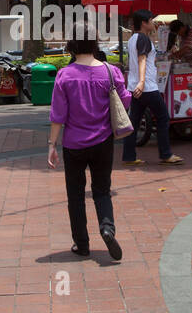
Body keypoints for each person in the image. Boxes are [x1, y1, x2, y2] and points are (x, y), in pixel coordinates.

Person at [48, 20, 132, 260]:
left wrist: (51, 145)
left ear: (72, 44)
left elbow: (58, 115)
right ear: (95, 43)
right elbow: (124, 100)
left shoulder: (65, 75)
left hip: (74, 144)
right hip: (103, 142)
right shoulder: (110, 71)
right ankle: (107, 227)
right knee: (102, 190)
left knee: (75, 195)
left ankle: (81, 244)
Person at [121, 9, 183, 166]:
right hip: (146, 86)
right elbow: (142, 60)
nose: (153, 23)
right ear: (144, 23)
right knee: (163, 117)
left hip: (135, 86)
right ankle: (165, 154)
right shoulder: (143, 39)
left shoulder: (133, 38)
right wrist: (142, 82)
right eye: (151, 20)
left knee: (133, 122)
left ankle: (129, 156)